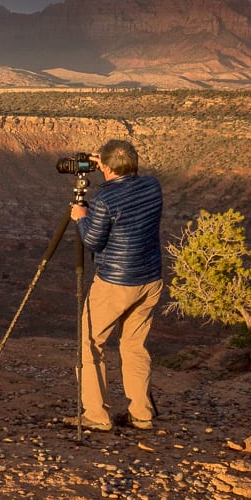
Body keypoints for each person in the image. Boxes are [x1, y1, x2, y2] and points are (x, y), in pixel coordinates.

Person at [66, 139, 164, 431]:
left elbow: (93, 241)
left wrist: (81, 218)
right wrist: (110, 163)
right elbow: (128, 183)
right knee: (134, 345)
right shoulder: (153, 186)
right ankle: (142, 415)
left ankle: (96, 416)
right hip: (150, 281)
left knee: (90, 343)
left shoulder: (105, 200)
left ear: (105, 167)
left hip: (116, 283)